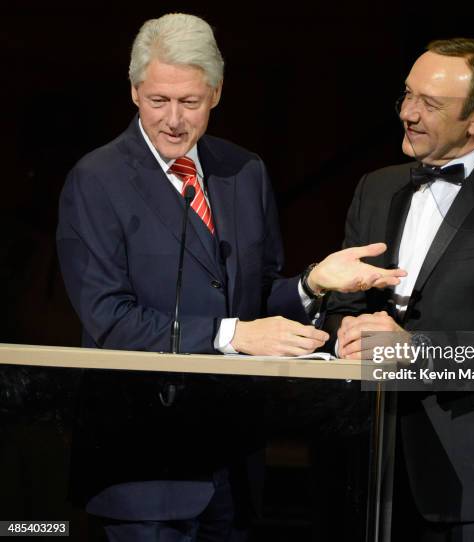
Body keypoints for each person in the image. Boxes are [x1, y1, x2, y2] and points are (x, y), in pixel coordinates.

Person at [56, 13, 404, 542]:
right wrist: (232, 335)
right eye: (158, 101)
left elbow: (256, 295)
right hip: (145, 468)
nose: (173, 120)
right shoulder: (96, 179)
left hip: (234, 465)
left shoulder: (244, 171)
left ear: (216, 93)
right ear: (133, 91)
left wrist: (313, 284)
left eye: (190, 102)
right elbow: (110, 320)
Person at [327, 38, 474, 541]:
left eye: (430, 104)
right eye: (407, 96)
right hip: (376, 464)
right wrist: (346, 328)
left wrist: (418, 353)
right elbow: (344, 304)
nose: (409, 115)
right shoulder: (376, 187)